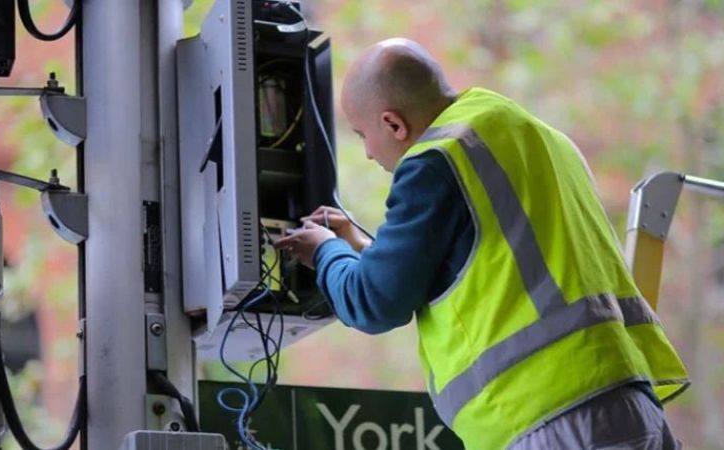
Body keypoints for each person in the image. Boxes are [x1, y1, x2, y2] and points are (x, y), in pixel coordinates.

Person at [275, 38, 689, 449]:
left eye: (362, 135)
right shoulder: (534, 136)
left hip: (550, 416)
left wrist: (324, 250)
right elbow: (478, 264)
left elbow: (375, 302)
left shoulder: (436, 160)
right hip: (629, 404)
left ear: (393, 124)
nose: (366, 153)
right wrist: (358, 244)